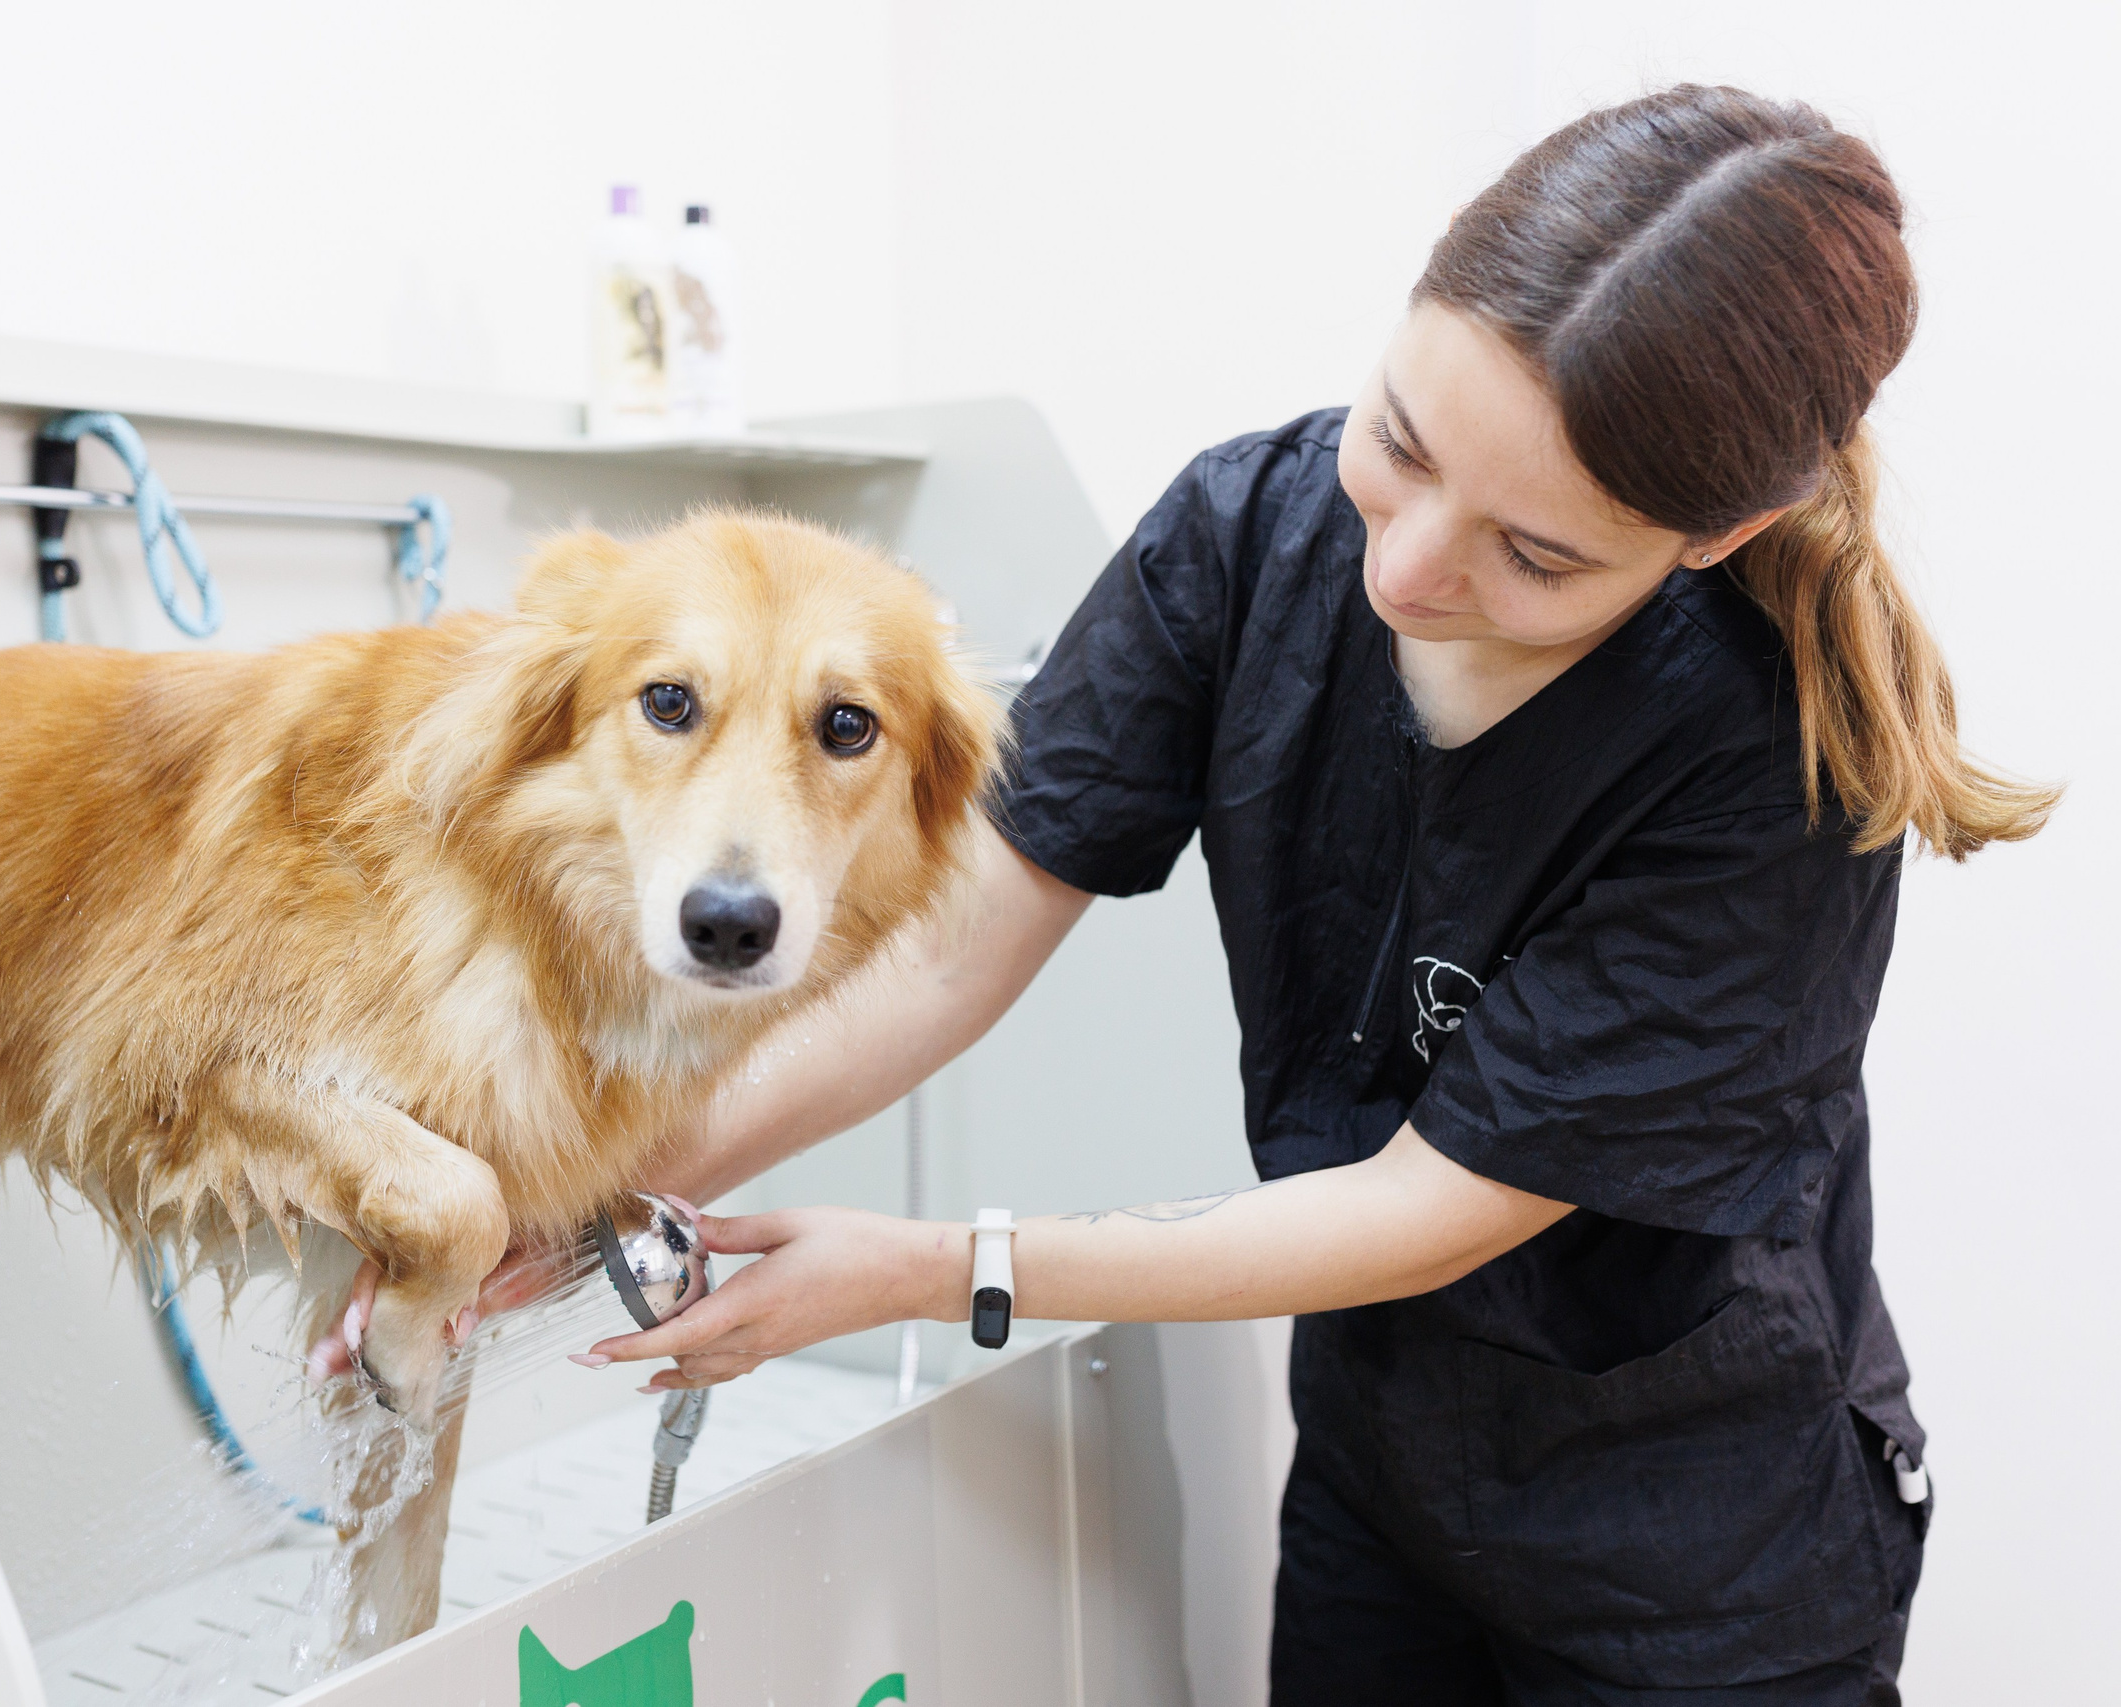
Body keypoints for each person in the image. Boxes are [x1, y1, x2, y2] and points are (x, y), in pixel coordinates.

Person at [574, 86, 2060, 1702]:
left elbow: (1421, 1210)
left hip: (1701, 1562)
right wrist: (586, 1179)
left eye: (1537, 557)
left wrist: (948, 1266)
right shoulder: (1244, 534)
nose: (1409, 570)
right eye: (1400, 445)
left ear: (1724, 535)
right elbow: (939, 955)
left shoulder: (1768, 760)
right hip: (1383, 1485)